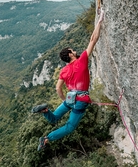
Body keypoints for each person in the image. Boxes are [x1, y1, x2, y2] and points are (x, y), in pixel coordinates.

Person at [32, 9, 105, 151]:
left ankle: (45, 110)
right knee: (70, 127)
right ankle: (47, 138)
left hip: (70, 98)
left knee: (53, 119)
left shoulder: (63, 71)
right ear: (70, 55)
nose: (75, 51)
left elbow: (58, 88)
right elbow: (93, 39)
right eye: (72, 50)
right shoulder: (81, 61)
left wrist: (64, 100)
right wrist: (100, 20)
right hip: (81, 100)